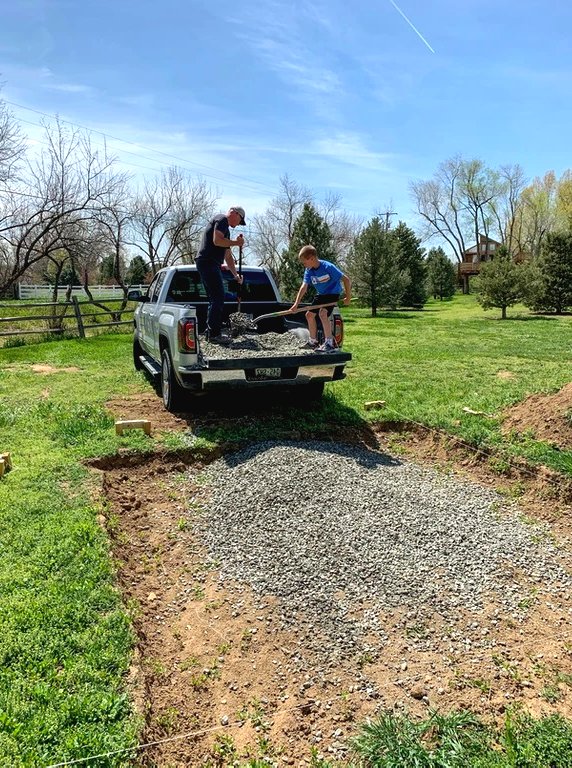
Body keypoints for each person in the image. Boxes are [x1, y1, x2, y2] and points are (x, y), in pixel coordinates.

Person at [195, 206, 246, 341]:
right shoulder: (222, 219)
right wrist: (237, 243)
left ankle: (210, 332)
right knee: (218, 297)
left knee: (215, 298)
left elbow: (227, 256)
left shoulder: (226, 231)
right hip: (208, 261)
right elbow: (217, 241)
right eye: (240, 220)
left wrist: (235, 275)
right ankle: (214, 334)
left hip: (210, 263)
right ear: (235, 213)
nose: (238, 224)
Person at [290, 244, 351, 352]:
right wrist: (296, 304)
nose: (304, 265)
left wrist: (348, 298)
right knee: (309, 315)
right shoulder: (309, 270)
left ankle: (329, 343)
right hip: (322, 294)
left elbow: (346, 280)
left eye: (304, 262)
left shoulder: (328, 267)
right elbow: (304, 287)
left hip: (332, 293)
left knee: (323, 313)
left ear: (312, 258)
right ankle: (313, 342)